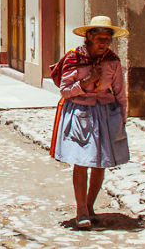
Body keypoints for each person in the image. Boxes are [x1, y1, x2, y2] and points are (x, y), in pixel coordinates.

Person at [50, 16, 130, 230]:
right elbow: (65, 91)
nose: (103, 43)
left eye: (107, 39)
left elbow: (120, 92)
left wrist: (122, 116)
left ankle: (90, 205)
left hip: (105, 113)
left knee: (100, 162)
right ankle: (81, 210)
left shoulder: (113, 61)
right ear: (89, 38)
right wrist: (86, 82)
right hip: (80, 113)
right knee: (81, 162)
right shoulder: (74, 59)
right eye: (100, 39)